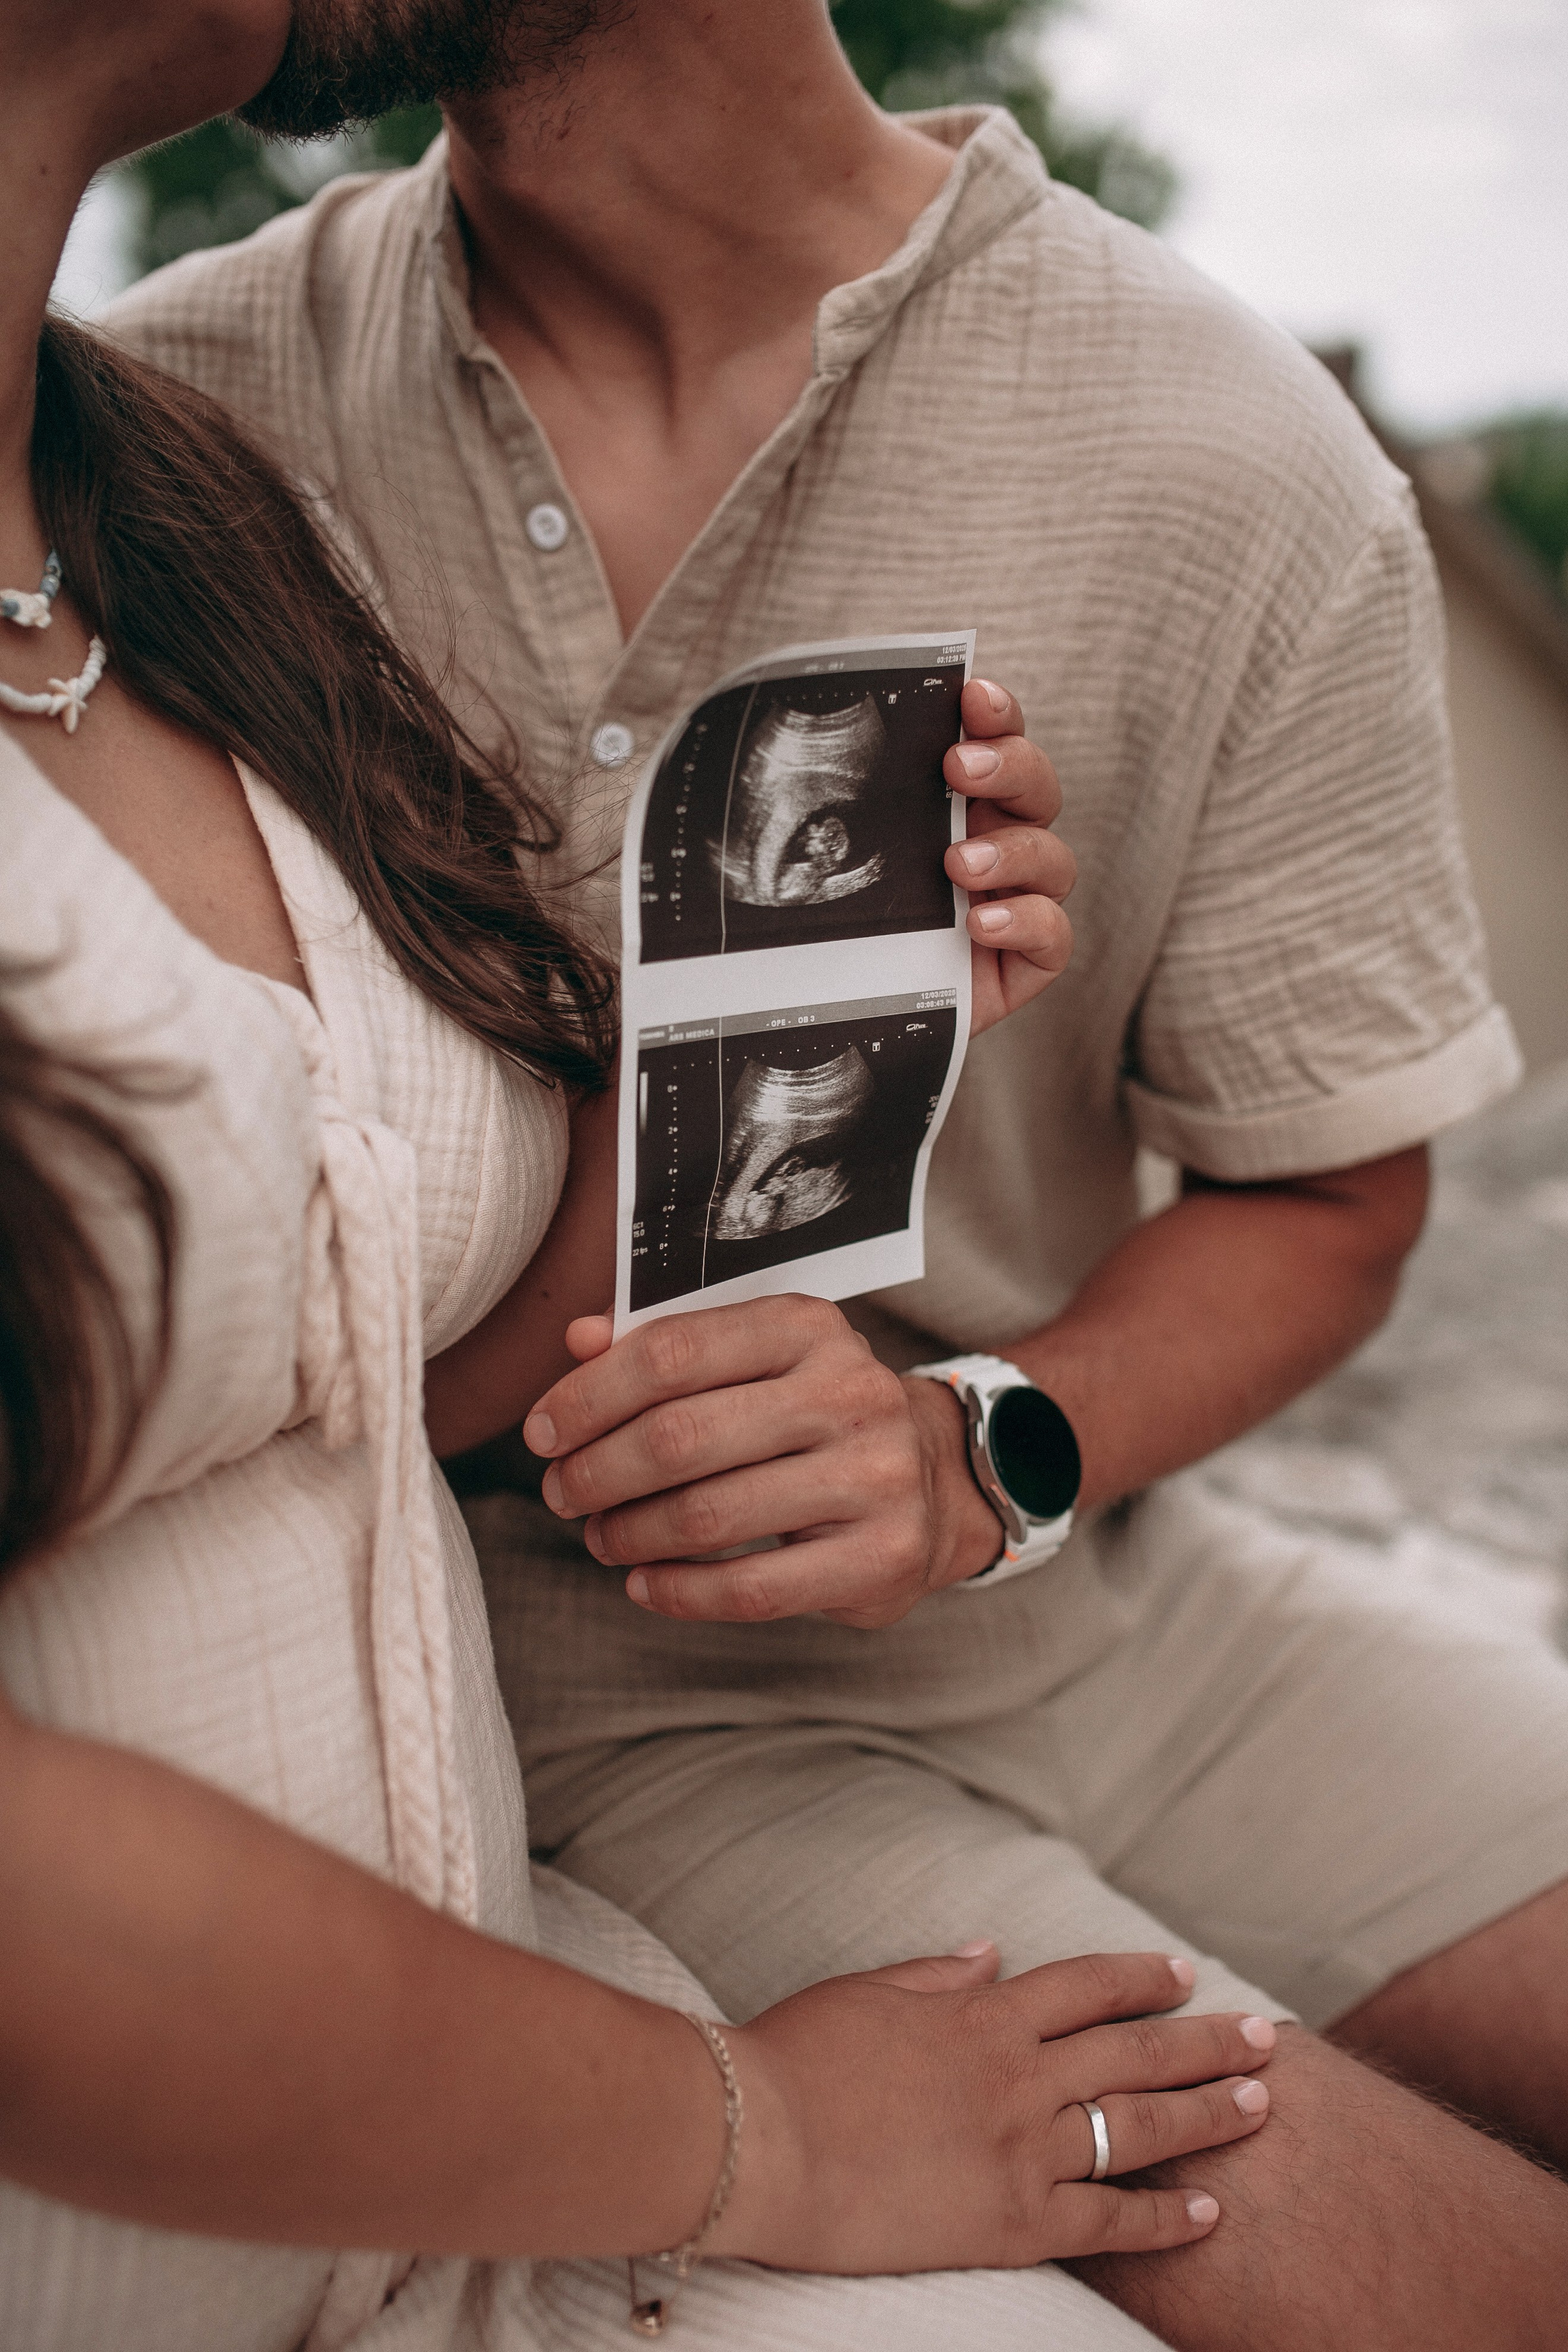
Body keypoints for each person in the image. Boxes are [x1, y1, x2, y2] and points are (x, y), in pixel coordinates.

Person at [105, 3, 1568, 2345]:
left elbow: (1330, 1202)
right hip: (638, 1706)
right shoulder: (167, 429)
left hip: (1139, 1614)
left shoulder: (1229, 446)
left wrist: (977, 1451)